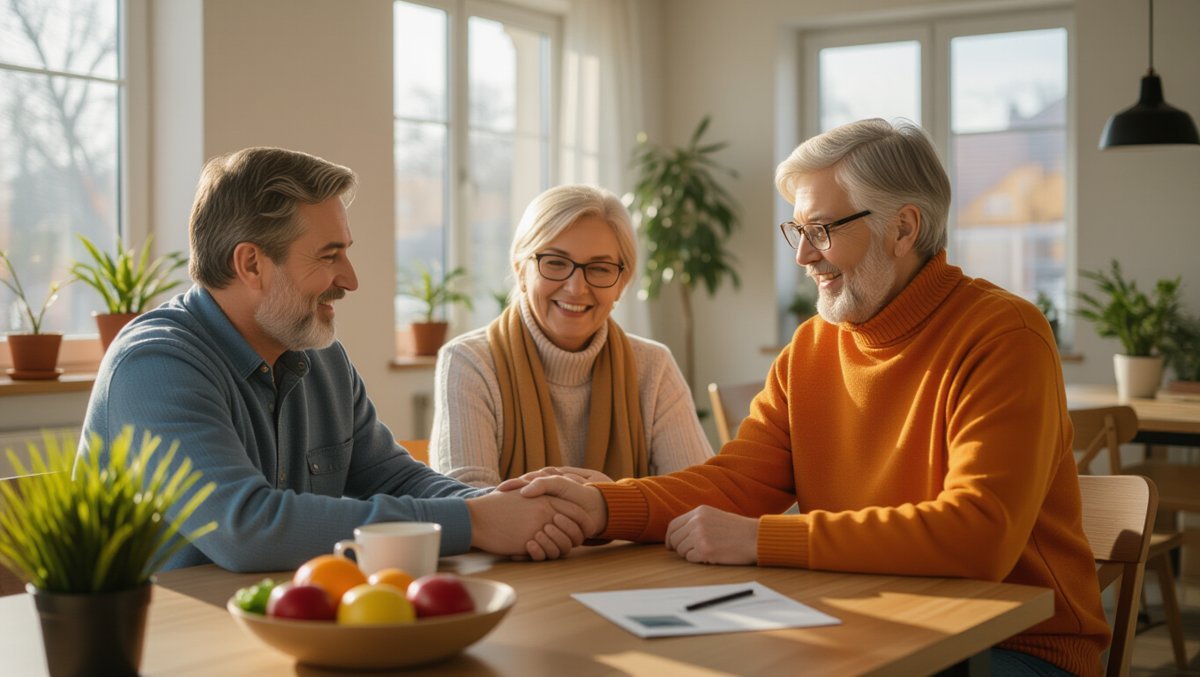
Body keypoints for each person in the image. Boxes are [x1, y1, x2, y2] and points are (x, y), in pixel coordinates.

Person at [512, 120, 1110, 676]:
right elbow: (736, 483)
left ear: (903, 228)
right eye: (798, 230)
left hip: (1016, 648)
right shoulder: (813, 346)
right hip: (867, 622)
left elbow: (978, 536)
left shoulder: (1005, 334)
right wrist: (605, 507)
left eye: (821, 230)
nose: (802, 256)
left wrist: (761, 539)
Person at [77, 147, 591, 572]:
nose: (350, 279)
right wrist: (475, 522)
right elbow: (248, 529)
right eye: (329, 256)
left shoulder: (319, 356)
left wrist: (503, 503)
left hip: (284, 626)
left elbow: (395, 477)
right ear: (251, 263)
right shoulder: (153, 368)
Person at [428, 184, 713, 488]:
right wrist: (607, 504)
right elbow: (471, 506)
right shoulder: (469, 363)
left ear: (622, 283)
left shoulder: (653, 366)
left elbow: (698, 493)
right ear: (521, 271)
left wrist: (602, 504)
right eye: (555, 263)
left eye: (600, 268)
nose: (576, 287)